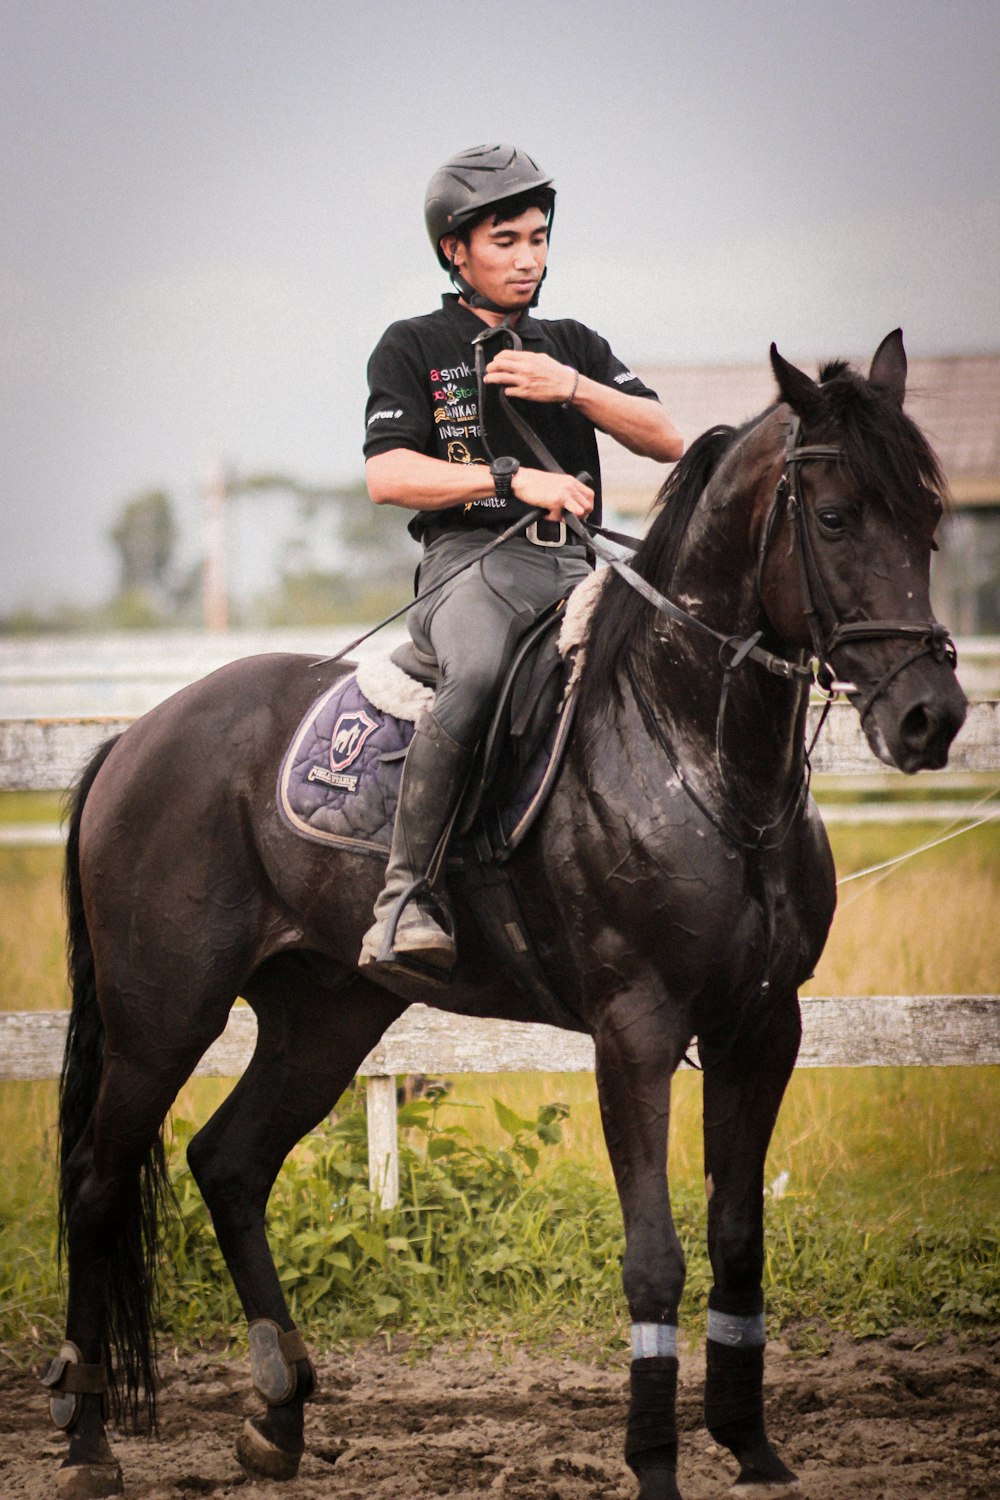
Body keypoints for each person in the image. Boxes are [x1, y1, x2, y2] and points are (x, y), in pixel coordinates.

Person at [359, 143, 683, 977]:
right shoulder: (413, 344)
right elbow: (388, 475)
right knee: (476, 674)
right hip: (470, 566)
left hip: (579, 566)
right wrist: (511, 476)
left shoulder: (573, 341)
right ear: (453, 250)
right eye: (505, 241)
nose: (528, 257)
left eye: (538, 238)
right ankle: (404, 899)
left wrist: (572, 387)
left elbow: (666, 438)